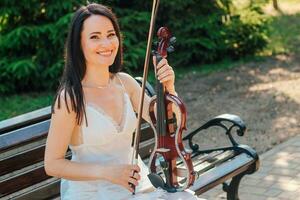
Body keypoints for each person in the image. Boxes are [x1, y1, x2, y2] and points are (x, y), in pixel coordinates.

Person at [44, 3, 202, 200]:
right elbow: (52, 164)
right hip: (92, 193)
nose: (107, 43)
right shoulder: (70, 98)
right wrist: (106, 172)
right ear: (79, 44)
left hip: (137, 186)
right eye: (95, 37)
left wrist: (169, 88)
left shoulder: (125, 83)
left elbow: (166, 124)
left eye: (111, 34)